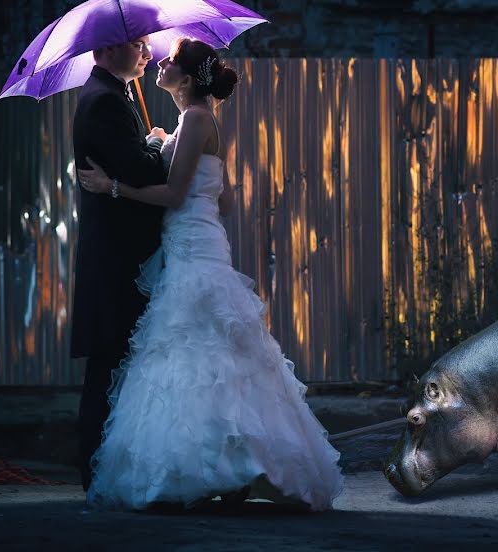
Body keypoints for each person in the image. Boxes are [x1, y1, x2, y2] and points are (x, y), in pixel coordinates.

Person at [76, 37, 344, 511]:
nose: (159, 61)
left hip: (193, 247)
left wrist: (112, 185)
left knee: (201, 352)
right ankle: (219, 466)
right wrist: (164, 143)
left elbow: (177, 195)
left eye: (171, 61)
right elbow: (221, 197)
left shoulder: (197, 119)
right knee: (199, 354)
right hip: (191, 241)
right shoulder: (191, 121)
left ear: (187, 77)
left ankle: (215, 467)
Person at [71, 35, 168, 492]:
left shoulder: (116, 96)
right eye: (138, 44)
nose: (147, 53)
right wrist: (158, 150)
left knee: (117, 366)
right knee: (108, 365)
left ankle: (109, 471)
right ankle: (96, 473)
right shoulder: (104, 102)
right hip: (116, 260)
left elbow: (130, 161)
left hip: (119, 257)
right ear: (106, 49)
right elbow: (142, 171)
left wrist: (146, 142)